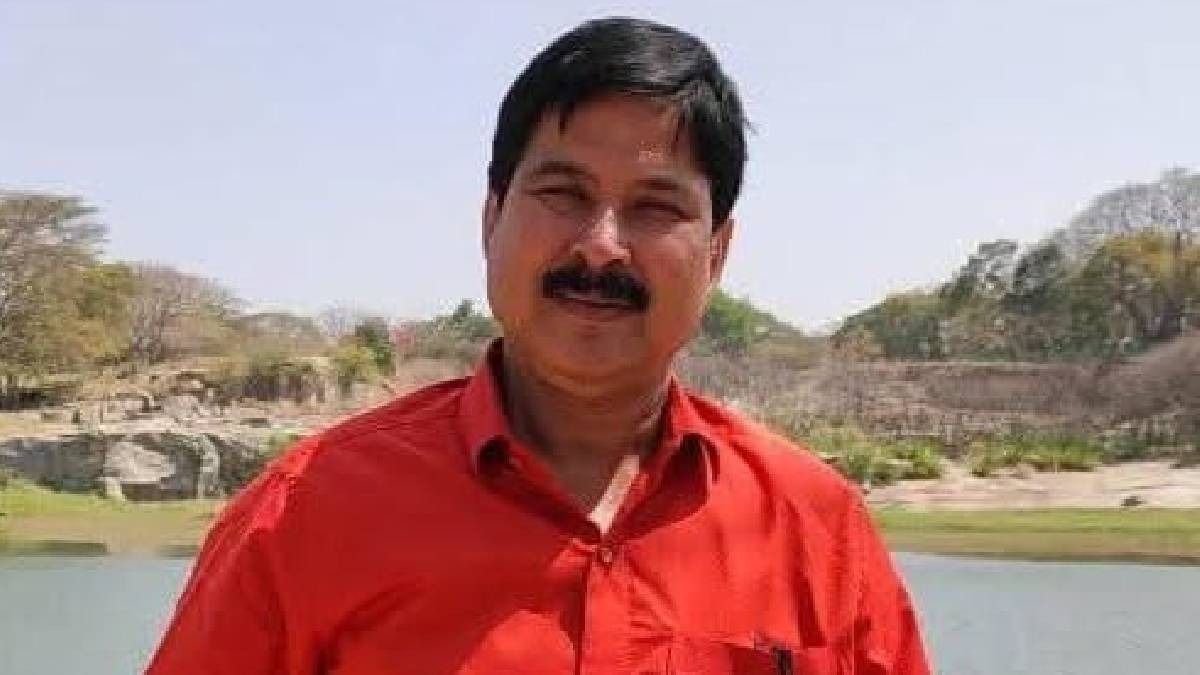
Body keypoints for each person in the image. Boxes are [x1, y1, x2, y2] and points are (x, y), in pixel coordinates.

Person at [147, 17, 930, 674]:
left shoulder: (818, 530)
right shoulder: (306, 512)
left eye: (655, 206)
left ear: (717, 253)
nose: (601, 246)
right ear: (492, 218)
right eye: (563, 193)